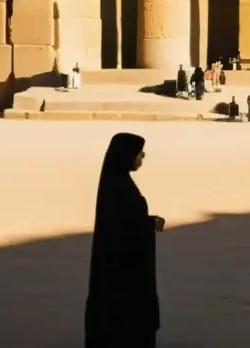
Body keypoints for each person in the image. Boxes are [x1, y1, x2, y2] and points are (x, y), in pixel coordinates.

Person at [85, 133, 165, 348]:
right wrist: (149, 225)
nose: (142, 157)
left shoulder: (117, 183)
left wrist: (148, 222)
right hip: (125, 272)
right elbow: (124, 227)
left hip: (119, 268)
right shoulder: (121, 188)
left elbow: (124, 222)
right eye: (140, 154)